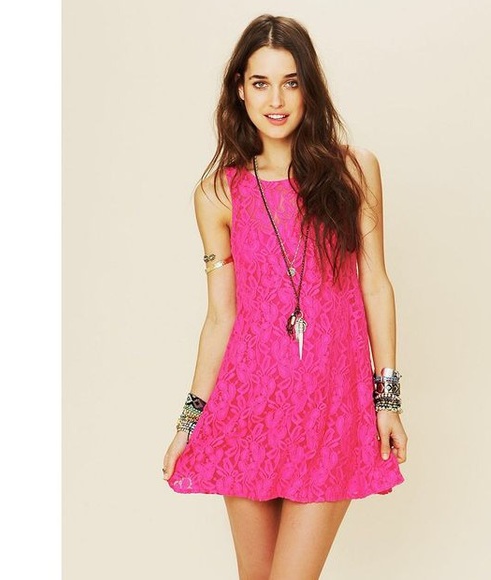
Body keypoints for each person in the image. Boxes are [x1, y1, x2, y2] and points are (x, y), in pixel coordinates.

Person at [162, 13, 408, 580]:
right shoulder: (218, 193)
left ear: (309, 88)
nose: (275, 100)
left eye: (290, 82)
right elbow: (221, 316)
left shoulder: (354, 171)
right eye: (260, 83)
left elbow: (375, 282)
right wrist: (189, 421)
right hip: (248, 409)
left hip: (330, 408)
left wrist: (388, 398)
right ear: (239, 90)